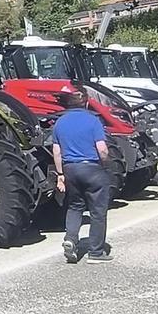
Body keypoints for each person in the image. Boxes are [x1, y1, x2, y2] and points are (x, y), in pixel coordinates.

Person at [52, 91, 113, 263]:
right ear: (86, 104)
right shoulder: (93, 121)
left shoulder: (60, 123)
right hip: (92, 168)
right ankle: (96, 253)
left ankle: (70, 239)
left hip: (70, 169)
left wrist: (60, 175)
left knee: (75, 206)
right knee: (98, 211)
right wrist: (106, 164)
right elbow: (102, 149)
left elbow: (57, 152)